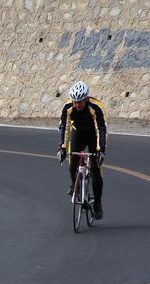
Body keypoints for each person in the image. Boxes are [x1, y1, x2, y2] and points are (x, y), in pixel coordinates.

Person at [56, 81, 107, 219]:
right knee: (72, 161)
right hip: (77, 133)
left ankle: (97, 204)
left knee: (96, 170)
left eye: (80, 102)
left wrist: (100, 150)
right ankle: (74, 184)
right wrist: (62, 147)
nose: (77, 105)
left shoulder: (95, 108)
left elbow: (101, 129)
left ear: (85, 99)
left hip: (93, 135)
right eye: (75, 102)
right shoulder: (68, 107)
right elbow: (64, 128)